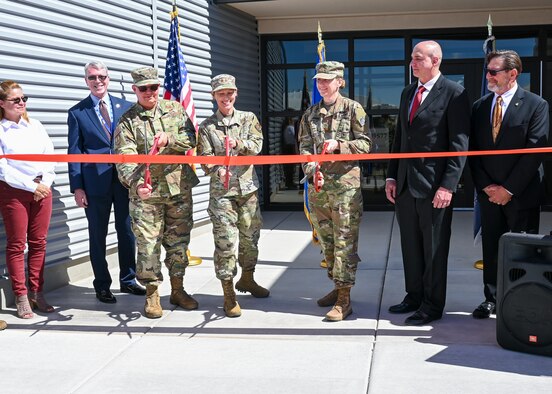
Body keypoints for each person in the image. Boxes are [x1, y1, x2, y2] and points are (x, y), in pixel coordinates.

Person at [385, 41, 470, 326]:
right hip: (407, 185)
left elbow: (459, 145)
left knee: (433, 249)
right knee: (410, 244)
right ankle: (414, 295)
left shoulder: (454, 93)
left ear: (435, 61)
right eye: (412, 58)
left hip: (435, 188)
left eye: (418, 58)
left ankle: (432, 306)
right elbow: (400, 139)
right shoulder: (408, 92)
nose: (412, 62)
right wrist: (392, 175)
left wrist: (448, 185)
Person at [469, 50, 549, 319]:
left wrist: (508, 189)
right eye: (488, 70)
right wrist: (487, 187)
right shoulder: (480, 106)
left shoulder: (536, 105)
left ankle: (520, 299)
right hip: (489, 195)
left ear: (512, 74)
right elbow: (473, 151)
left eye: (494, 71)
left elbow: (534, 151)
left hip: (521, 194)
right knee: (491, 248)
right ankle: (491, 298)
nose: (488, 75)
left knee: (522, 251)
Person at [114, 66, 200, 319]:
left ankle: (178, 289)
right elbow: (124, 158)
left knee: (178, 242)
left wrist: (170, 139)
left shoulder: (174, 109)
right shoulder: (127, 121)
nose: (150, 92)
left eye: (154, 87)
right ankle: (152, 294)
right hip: (147, 194)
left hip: (178, 188)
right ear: (135, 90)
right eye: (144, 89)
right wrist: (135, 184)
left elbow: (191, 138)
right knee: (148, 245)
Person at [298, 61, 372, 321]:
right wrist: (310, 166)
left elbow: (366, 144)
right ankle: (337, 285)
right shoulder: (310, 114)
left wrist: (339, 145)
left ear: (340, 81)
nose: (322, 84)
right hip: (319, 188)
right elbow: (304, 147)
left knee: (344, 243)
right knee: (327, 243)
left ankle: (344, 299)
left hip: (344, 190)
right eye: (319, 80)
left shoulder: (353, 109)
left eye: (327, 80)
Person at [68, 60, 145, 304]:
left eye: (102, 76)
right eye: (93, 77)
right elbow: (74, 152)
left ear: (108, 78)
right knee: (97, 235)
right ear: (86, 81)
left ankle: (128, 279)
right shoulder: (77, 112)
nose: (98, 81)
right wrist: (77, 186)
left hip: (124, 182)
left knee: (127, 232)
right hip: (94, 185)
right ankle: (102, 284)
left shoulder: (126, 108)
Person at [197, 74, 269, 318]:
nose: (225, 97)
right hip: (222, 195)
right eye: (220, 94)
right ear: (214, 96)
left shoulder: (248, 119)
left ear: (235, 93)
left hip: (248, 190)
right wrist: (217, 167)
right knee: (226, 243)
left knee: (250, 239)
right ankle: (228, 293)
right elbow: (204, 159)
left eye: (229, 93)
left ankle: (247, 279)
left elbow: (257, 145)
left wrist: (239, 144)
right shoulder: (206, 127)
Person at [0, 80, 56, 318]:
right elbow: (3, 168)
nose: (22, 103)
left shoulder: (36, 125)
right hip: (14, 192)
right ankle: (21, 295)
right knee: (16, 245)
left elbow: (50, 156)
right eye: (16, 100)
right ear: (2, 104)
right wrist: (30, 186)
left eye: (24, 99)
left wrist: (45, 183)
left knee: (39, 242)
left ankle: (36, 291)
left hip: (42, 189)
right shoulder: (2, 130)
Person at [282, 116, 297, 189]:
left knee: (290, 167)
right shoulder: (290, 128)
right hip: (289, 148)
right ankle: (289, 183)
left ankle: (290, 182)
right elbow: (295, 136)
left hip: (288, 147)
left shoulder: (287, 128)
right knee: (290, 167)